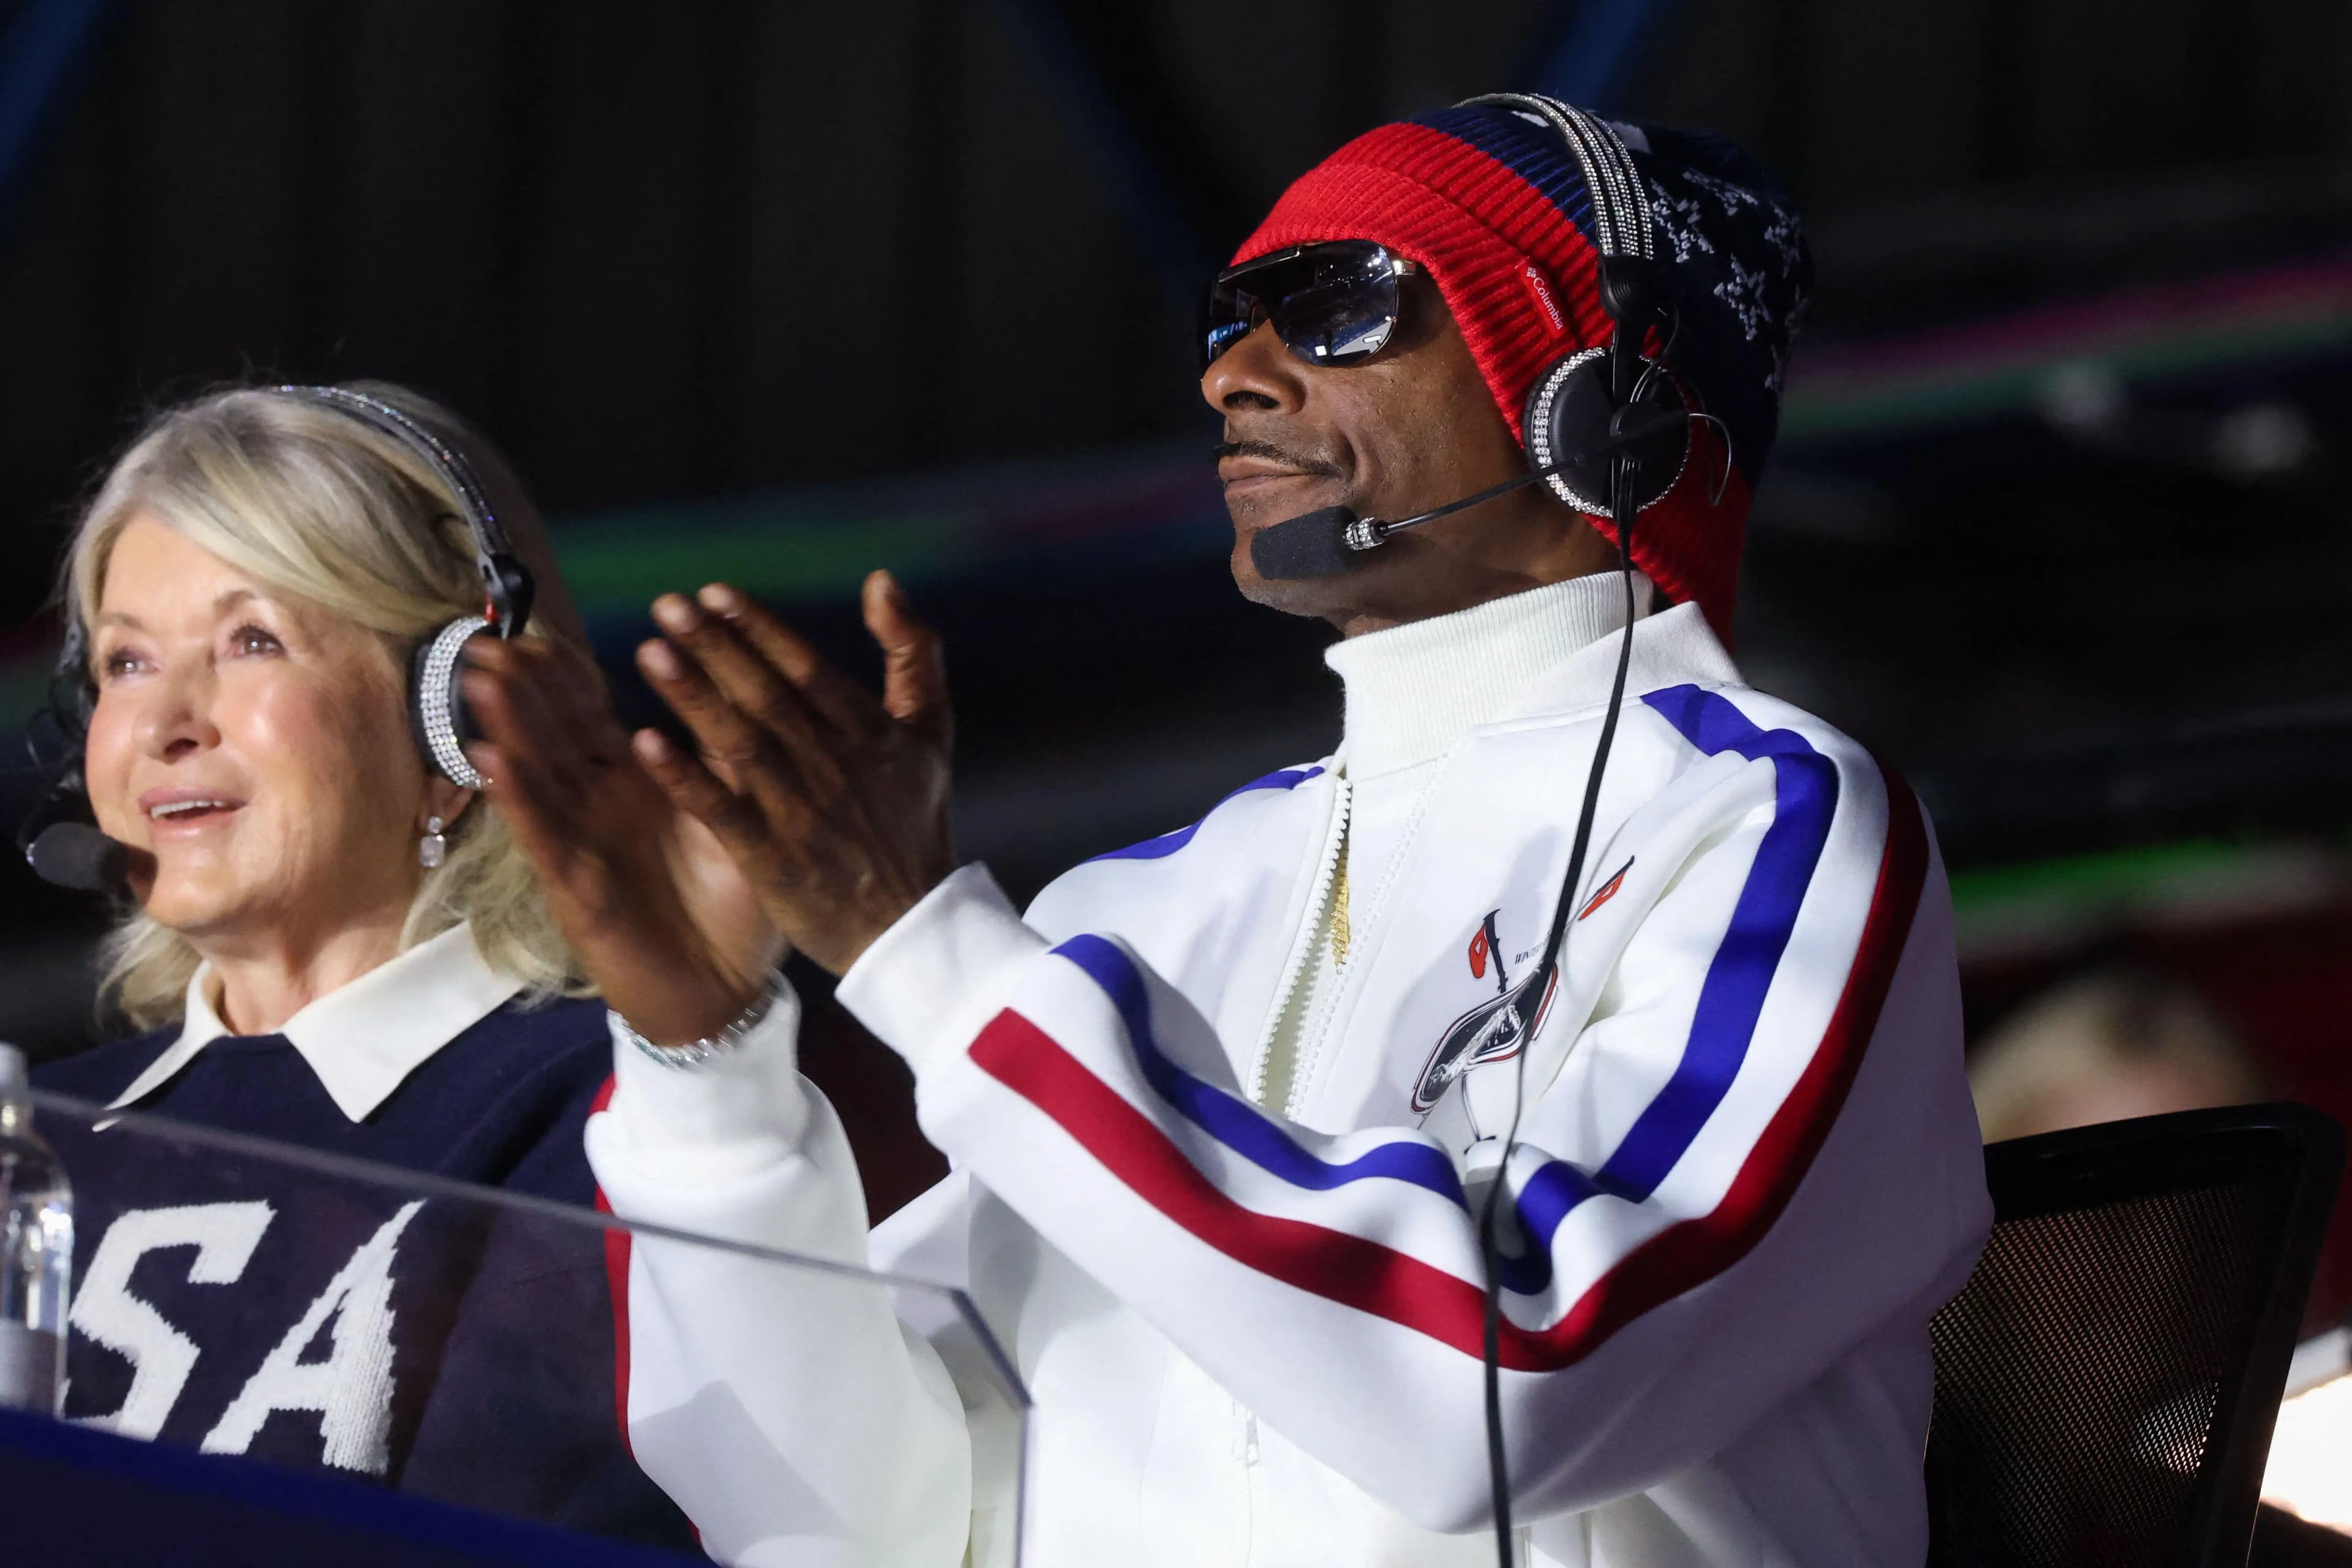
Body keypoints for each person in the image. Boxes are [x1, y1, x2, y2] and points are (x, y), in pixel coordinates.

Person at [469, 96, 1992, 1566]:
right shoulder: (1121, 915)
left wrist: (921, 950)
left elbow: (1510, 1385)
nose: (1234, 376)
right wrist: (708, 1063)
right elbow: (852, 1535)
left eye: (1336, 303)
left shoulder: (1764, 819)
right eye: (1231, 318)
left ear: (1603, 395)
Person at [31, 383, 722, 1548]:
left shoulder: (632, 1106)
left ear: (456, 721)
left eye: (252, 641)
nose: (164, 725)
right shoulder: (34, 1141)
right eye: (126, 664)